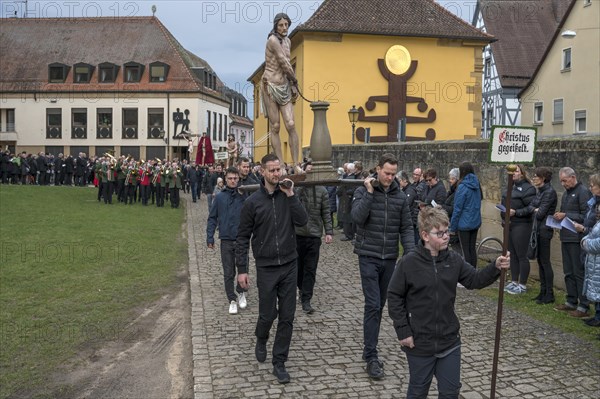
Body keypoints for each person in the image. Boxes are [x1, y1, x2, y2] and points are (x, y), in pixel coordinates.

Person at [388, 206, 510, 399]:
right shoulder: (408, 263)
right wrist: (403, 331)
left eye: (447, 231)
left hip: (449, 340)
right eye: (440, 233)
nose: (446, 236)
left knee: (450, 393)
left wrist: (495, 267)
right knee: (418, 391)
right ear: (425, 235)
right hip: (420, 342)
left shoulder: (453, 260)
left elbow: (474, 280)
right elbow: (394, 296)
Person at [236, 153, 308, 384]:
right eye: (273, 170)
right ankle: (261, 336)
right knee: (268, 314)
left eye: (280, 169)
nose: (277, 174)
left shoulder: (289, 196)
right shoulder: (252, 203)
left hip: (289, 264)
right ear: (263, 171)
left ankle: (279, 362)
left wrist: (291, 196)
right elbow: (242, 237)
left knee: (287, 316)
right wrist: (242, 269)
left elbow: (303, 221)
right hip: (266, 266)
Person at [351, 153, 415, 380]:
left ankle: (369, 347)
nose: (389, 177)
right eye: (386, 173)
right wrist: (369, 194)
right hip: (368, 255)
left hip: (389, 258)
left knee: (380, 306)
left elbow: (406, 227)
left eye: (392, 174)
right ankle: (371, 356)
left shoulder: (399, 197)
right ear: (377, 169)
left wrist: (409, 253)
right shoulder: (362, 191)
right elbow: (357, 218)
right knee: (373, 304)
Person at [262, 13, 302, 173]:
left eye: (286, 25)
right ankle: (281, 165)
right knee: (276, 126)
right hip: (270, 85)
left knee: (291, 124)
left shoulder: (288, 41)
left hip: (284, 85)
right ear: (275, 26)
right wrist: (295, 80)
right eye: (281, 25)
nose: (284, 28)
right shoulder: (272, 40)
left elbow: (287, 64)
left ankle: (296, 164)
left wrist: (291, 83)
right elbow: (283, 62)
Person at [207, 167, 248, 315]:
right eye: (230, 178)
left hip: (241, 239)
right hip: (226, 239)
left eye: (235, 178)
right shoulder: (219, 197)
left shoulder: (243, 195)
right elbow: (212, 218)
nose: (233, 181)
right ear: (225, 179)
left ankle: (241, 291)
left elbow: (252, 216)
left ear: (239, 179)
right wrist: (209, 237)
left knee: (243, 268)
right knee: (228, 271)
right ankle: (232, 299)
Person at [553, 167, 592, 317]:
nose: (562, 183)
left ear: (573, 177)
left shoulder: (582, 192)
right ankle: (571, 301)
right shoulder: (566, 194)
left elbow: (585, 216)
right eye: (561, 181)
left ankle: (583, 306)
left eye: (565, 180)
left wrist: (565, 214)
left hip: (577, 239)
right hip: (566, 236)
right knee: (568, 271)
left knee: (578, 272)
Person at [295, 181, 333, 314]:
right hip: (297, 234)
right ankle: (300, 288)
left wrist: (329, 231)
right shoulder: (298, 188)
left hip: (314, 235)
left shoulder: (322, 190)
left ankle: (306, 299)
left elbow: (326, 212)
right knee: (298, 267)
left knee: (310, 269)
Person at [502, 164, 536, 295]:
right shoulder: (510, 187)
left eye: (516, 171)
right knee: (513, 254)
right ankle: (514, 281)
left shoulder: (529, 189)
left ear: (522, 173)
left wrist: (516, 212)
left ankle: (522, 284)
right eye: (511, 171)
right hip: (509, 224)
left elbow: (531, 207)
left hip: (522, 224)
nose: (513, 173)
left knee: (522, 255)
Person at [526, 167, 558, 304]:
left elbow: (540, 214)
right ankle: (542, 291)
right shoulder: (541, 191)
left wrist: (535, 209)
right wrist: (535, 209)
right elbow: (530, 207)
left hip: (544, 230)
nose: (534, 178)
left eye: (536, 176)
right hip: (537, 229)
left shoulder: (549, 192)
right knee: (540, 262)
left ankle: (549, 294)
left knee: (545, 262)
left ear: (543, 178)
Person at [576, 175, 600, 327]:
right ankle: (598, 315)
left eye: (593, 185)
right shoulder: (594, 203)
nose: (590, 188)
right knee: (595, 286)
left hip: (595, 250)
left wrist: (586, 240)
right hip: (593, 256)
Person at [449, 162, 483, 268]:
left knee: (465, 250)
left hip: (464, 223)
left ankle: (468, 274)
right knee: (472, 249)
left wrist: (452, 227)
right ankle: (473, 272)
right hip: (475, 221)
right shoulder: (477, 184)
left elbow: (457, 209)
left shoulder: (462, 186)